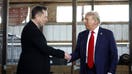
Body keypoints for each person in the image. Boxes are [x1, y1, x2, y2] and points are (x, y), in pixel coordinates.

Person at [16, 6, 71, 74]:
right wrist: (62, 54)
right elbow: (45, 48)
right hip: (31, 70)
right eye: (45, 17)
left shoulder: (32, 28)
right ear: (37, 16)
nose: (46, 19)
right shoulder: (31, 29)